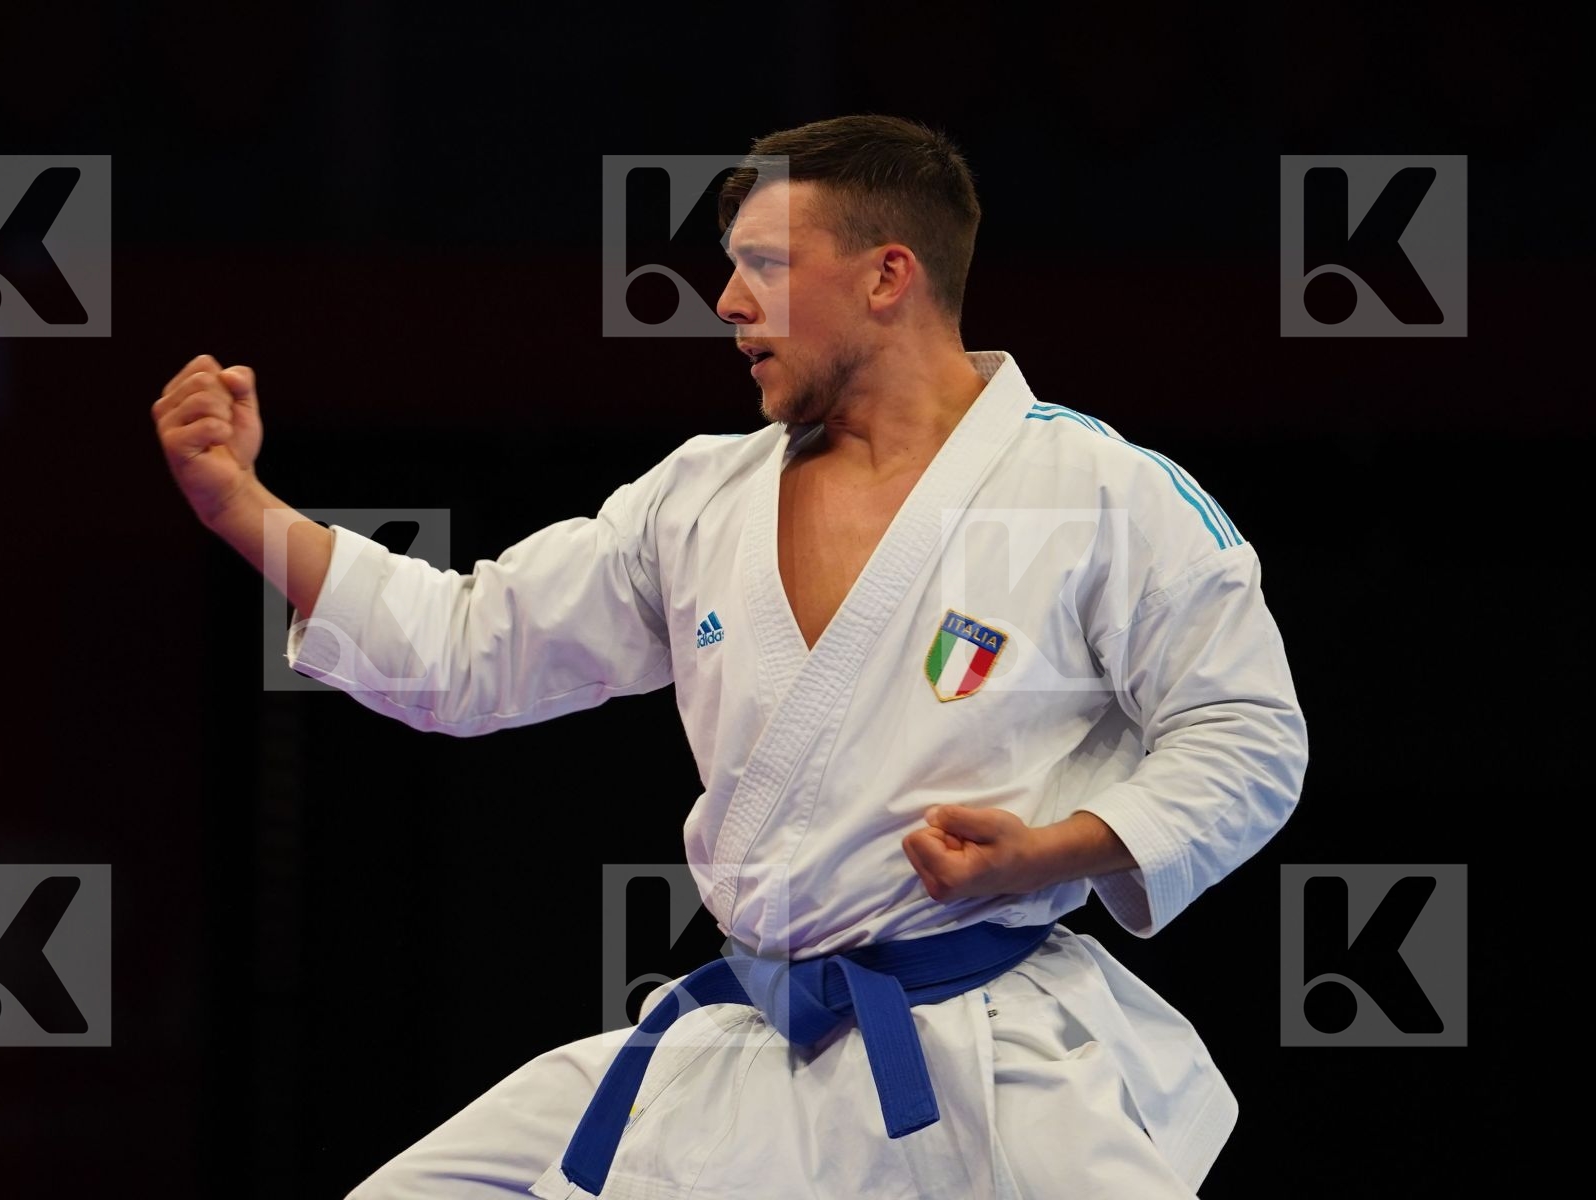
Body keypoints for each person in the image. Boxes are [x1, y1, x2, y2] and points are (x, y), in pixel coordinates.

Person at [150, 114, 1307, 1199]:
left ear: (886, 276)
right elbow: (468, 649)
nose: (726, 299)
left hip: (990, 1059)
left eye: (764, 264)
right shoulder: (702, 496)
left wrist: (1054, 851)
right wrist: (243, 510)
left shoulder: (1098, 492)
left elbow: (1249, 737)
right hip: (754, 1041)